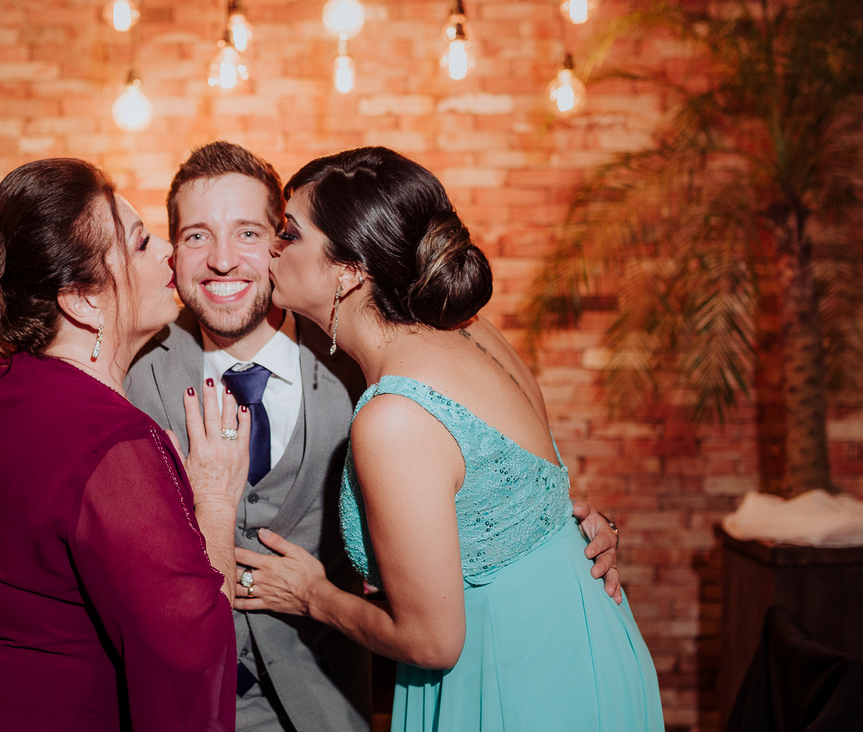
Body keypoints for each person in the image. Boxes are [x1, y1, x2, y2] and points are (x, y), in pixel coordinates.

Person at [0, 143, 626, 732]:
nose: (221, 260)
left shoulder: (371, 360)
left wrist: (572, 524)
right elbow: (39, 489)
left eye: (256, 234)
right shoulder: (121, 362)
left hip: (330, 710)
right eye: (194, 234)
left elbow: (494, 459)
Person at [236, 146, 665, 731]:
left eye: (289, 233)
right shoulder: (473, 332)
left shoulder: (393, 418)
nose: (270, 249)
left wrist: (314, 595)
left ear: (348, 269)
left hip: (517, 682)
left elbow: (432, 641)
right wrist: (595, 529)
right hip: (592, 643)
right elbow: (532, 495)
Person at [0, 158, 251, 732]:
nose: (170, 251)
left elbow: (28, 514)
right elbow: (190, 650)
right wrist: (214, 500)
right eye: (142, 244)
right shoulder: (116, 443)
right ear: (83, 299)